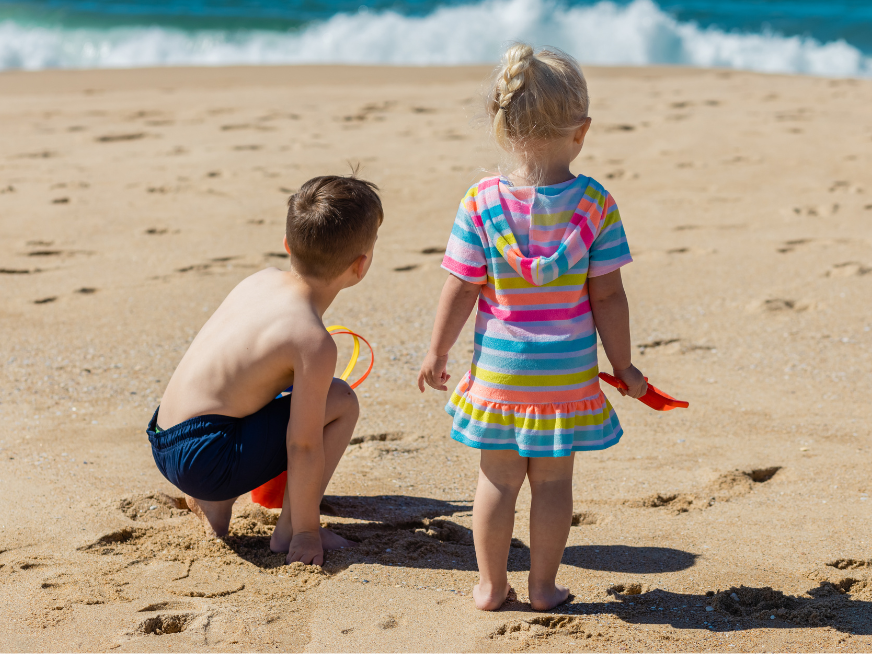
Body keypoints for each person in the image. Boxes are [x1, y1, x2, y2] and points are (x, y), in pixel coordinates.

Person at [417, 44, 647, 611]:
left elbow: (462, 287)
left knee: (497, 481)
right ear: (582, 130)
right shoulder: (594, 204)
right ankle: (543, 587)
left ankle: (492, 587)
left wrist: (437, 349)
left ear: (502, 126)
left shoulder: (481, 203)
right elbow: (609, 295)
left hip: (500, 371)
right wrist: (623, 365)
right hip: (565, 375)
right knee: (551, 484)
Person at [147, 174, 383, 566]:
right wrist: (308, 533)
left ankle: (215, 500)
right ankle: (291, 527)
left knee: (265, 390)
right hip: (206, 457)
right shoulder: (312, 340)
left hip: (165, 436)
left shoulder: (259, 280)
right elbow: (303, 444)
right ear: (360, 266)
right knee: (340, 399)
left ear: (287, 245)